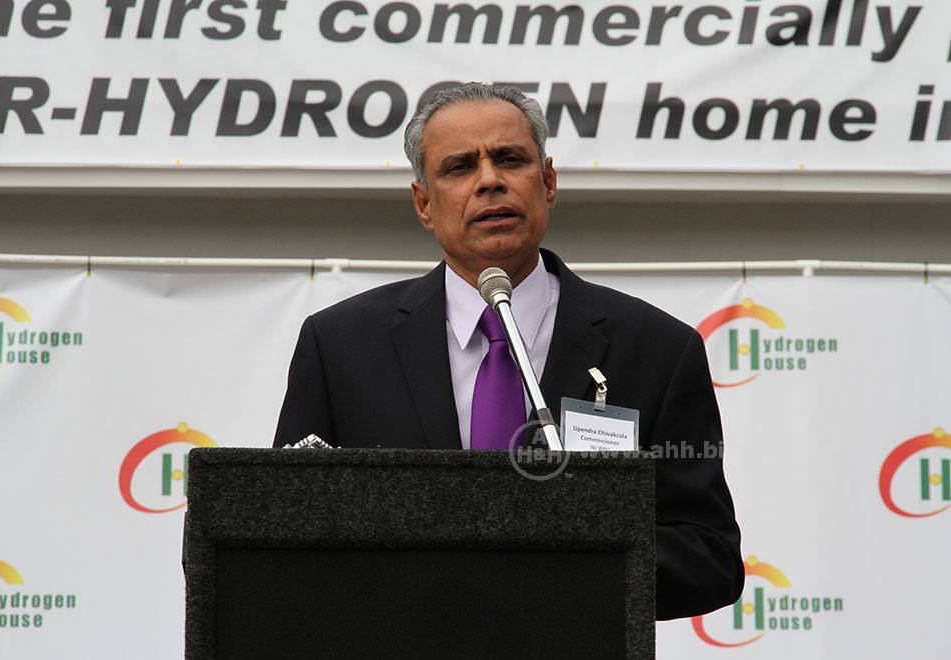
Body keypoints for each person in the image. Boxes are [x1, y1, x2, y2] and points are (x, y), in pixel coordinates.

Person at [274, 82, 744, 620]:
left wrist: (566, 564)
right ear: (424, 203)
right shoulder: (340, 348)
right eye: (459, 167)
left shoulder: (658, 349)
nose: (490, 181)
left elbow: (710, 558)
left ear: (547, 183)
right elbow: (288, 530)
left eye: (509, 159)